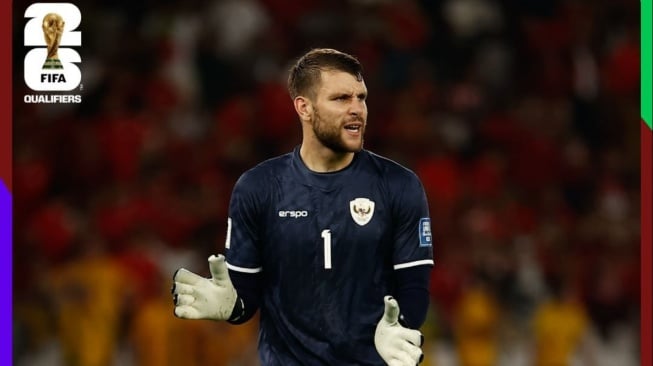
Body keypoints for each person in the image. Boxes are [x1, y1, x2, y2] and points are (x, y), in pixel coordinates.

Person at [172, 48, 434, 365]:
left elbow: (415, 288)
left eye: (361, 98)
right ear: (304, 108)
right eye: (341, 99)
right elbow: (245, 296)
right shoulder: (259, 188)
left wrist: (401, 326)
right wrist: (233, 307)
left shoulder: (399, 185)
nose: (358, 110)